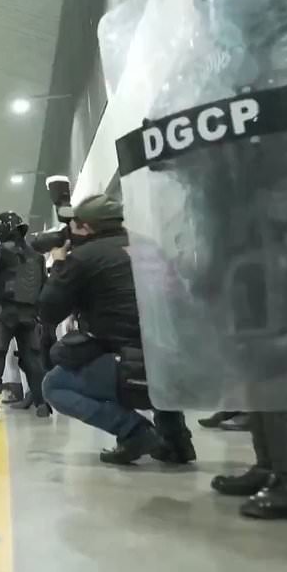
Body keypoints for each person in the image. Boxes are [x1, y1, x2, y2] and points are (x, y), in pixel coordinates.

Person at [39, 196, 195, 465]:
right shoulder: (150, 248)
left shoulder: (84, 257)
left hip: (132, 373)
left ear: (85, 227)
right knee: (152, 347)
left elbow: (48, 312)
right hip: (177, 369)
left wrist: (60, 265)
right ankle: (176, 439)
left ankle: (135, 432)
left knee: (54, 385)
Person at [0, 211, 51, 417]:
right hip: (30, 315)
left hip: (2, 312)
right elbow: (44, 286)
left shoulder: (0, 252)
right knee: (33, 360)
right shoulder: (37, 257)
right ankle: (42, 404)